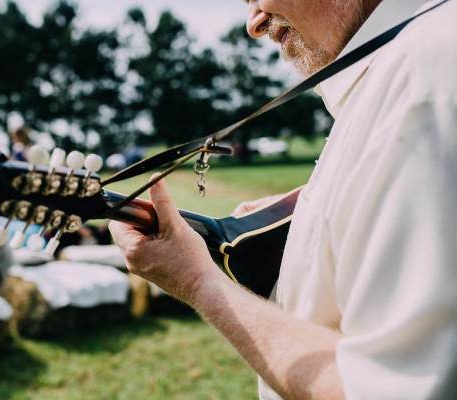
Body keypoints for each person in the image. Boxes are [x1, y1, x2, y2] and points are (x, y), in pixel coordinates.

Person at [109, 0, 457, 399]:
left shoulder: (419, 85)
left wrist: (198, 282)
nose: (254, 23)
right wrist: (313, 208)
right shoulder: (406, 72)